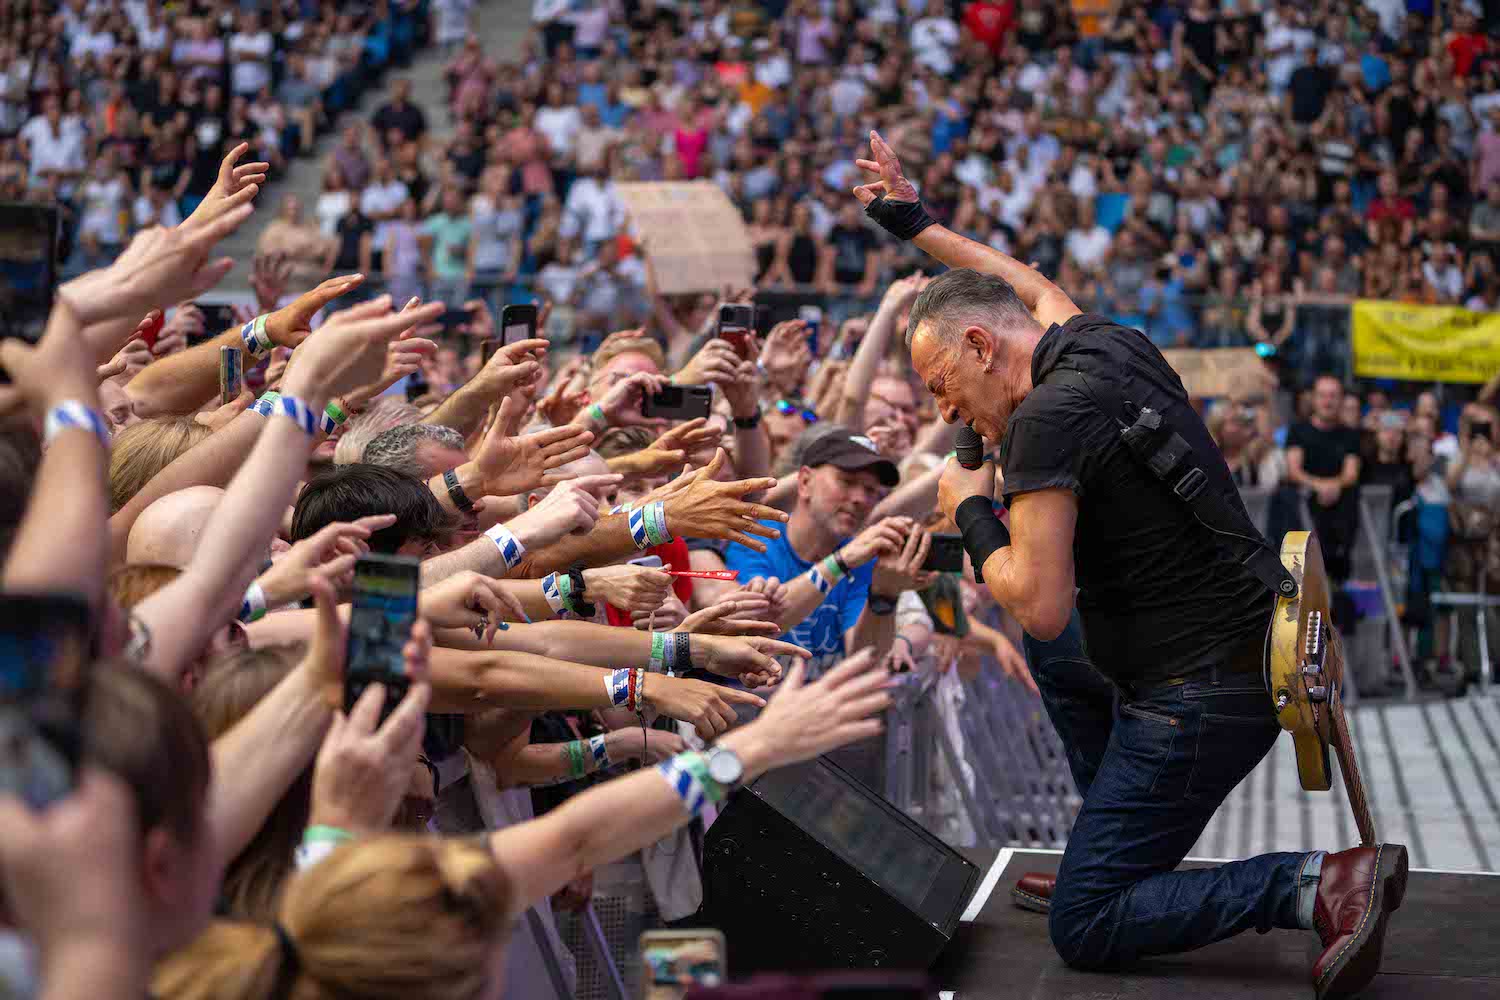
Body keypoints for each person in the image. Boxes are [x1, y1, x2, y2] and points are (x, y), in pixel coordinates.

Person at [851, 128, 1405, 997]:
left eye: (939, 383)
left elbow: (1031, 598)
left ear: (981, 347)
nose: (943, 404)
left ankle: (1314, 884)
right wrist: (913, 220)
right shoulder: (1104, 341)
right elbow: (1023, 282)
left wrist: (965, 505)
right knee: (1060, 655)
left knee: (1087, 923)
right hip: (1239, 631)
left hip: (1203, 691)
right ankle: (1105, 849)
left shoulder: (1043, 424)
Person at [721, 428, 928, 676]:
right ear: (805, 482)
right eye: (847, 482)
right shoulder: (757, 537)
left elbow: (866, 659)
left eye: (871, 491)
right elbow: (753, 628)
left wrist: (885, 595)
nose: (860, 498)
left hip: (815, 708)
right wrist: (839, 563)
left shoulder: (861, 561)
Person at [1286, 375, 1362, 610]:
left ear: (1340, 400)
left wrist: (1334, 486)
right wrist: (1319, 485)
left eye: (1333, 396)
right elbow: (1293, 471)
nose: (1327, 401)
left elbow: (1351, 473)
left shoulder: (1350, 435)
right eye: (1323, 395)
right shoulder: (1298, 431)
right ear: (1314, 399)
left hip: (1339, 512)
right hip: (1305, 509)